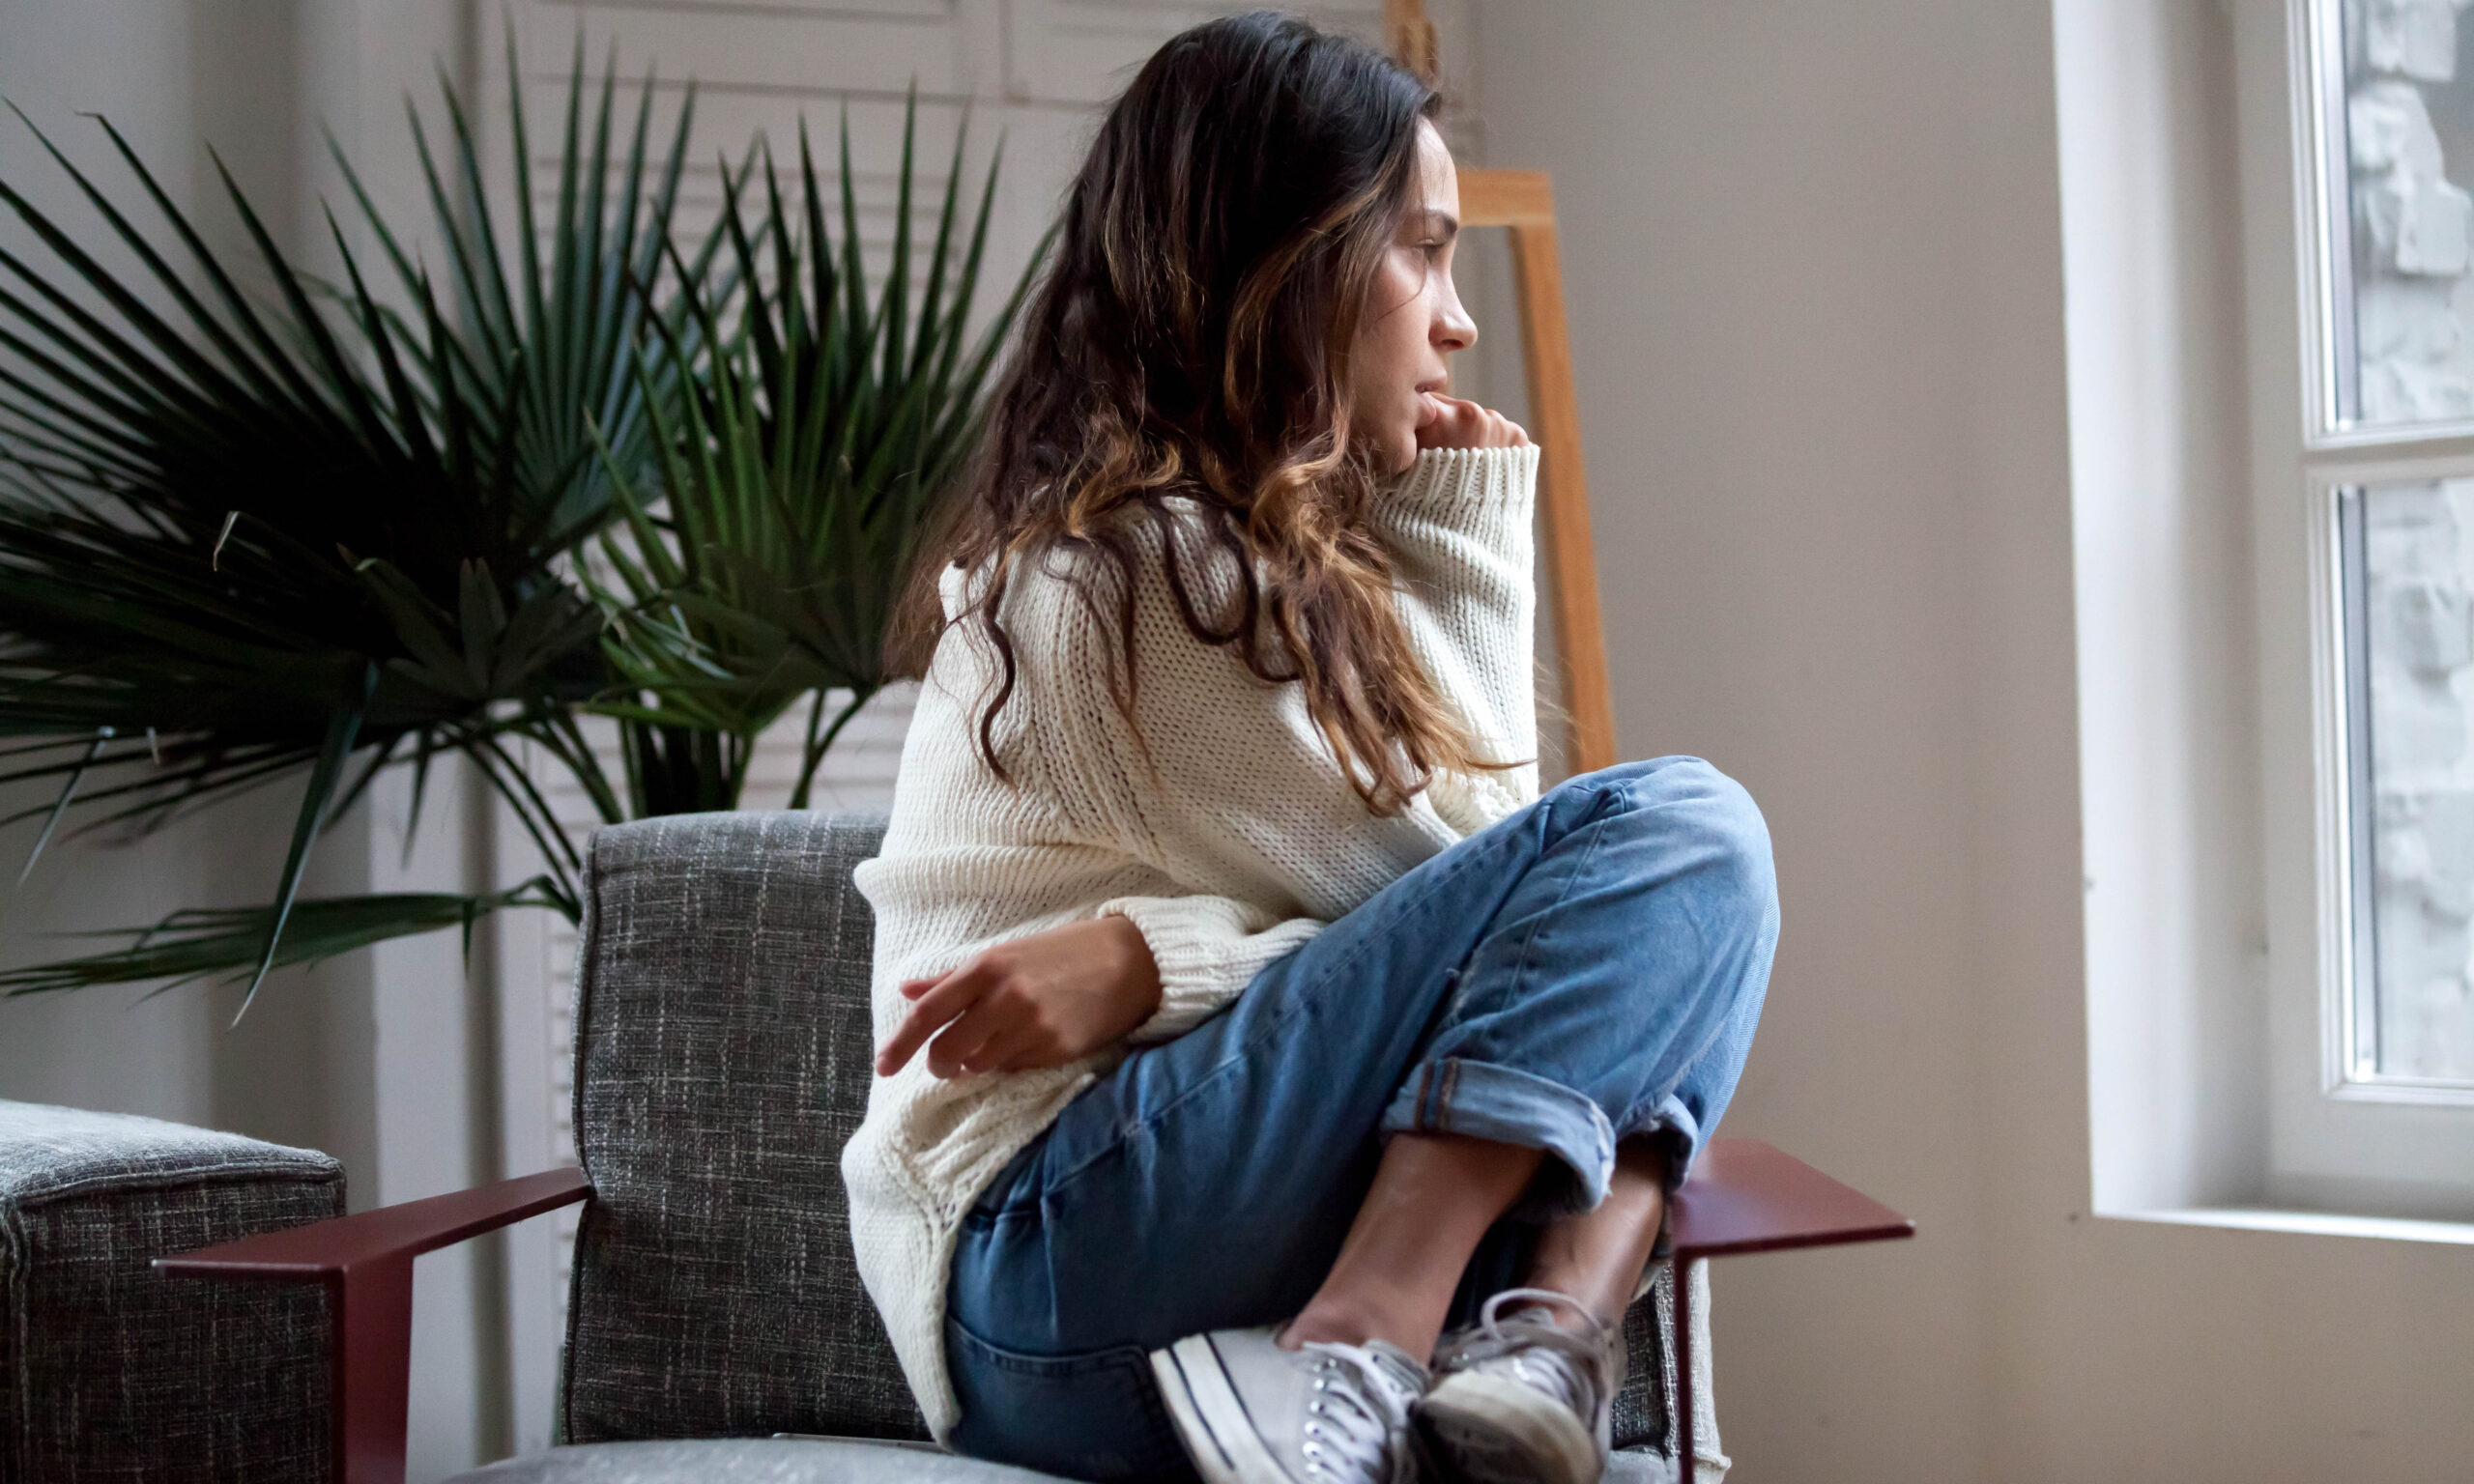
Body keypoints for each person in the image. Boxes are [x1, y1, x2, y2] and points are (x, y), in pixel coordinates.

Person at [843, 14, 1777, 1484]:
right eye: (1419, 250)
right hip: (1060, 1260)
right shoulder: (1128, 574)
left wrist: (1150, 960)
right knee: (1689, 835)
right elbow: (1488, 899)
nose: (1459, 322)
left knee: (1648, 995)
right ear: (1284, 264)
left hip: (1150, 1295)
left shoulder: (1267, 566)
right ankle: (1381, 1331)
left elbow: (1491, 959)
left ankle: (1537, 1363)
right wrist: (1471, 530)